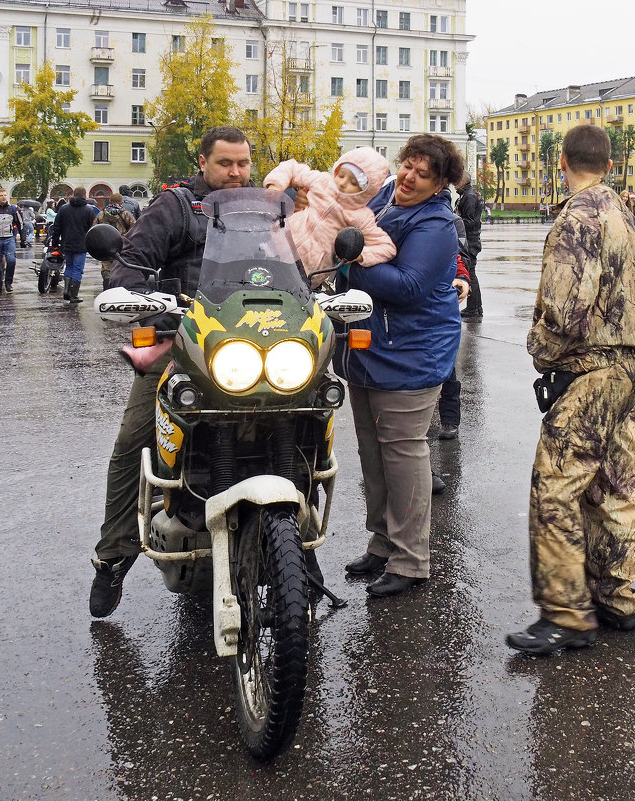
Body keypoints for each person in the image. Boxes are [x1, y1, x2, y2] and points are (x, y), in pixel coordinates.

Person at [89, 126, 253, 618]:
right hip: (179, 344)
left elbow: (298, 267)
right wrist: (149, 301)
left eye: (243, 163)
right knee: (134, 440)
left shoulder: (262, 211)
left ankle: (297, 548)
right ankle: (114, 554)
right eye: (226, 164)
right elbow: (129, 266)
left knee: (310, 410)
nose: (236, 173)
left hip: (250, 346)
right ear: (202, 162)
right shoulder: (176, 208)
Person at [506, 125, 635, 656]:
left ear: (562, 161)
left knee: (556, 487)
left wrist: (538, 347)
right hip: (626, 367)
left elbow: (566, 309)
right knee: (615, 486)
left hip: (588, 373)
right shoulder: (622, 214)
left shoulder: (576, 217)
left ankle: (567, 614)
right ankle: (616, 598)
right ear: (609, 164)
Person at [337, 133, 463, 598]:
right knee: (373, 451)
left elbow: (407, 286)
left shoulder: (437, 224)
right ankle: (382, 541)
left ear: (440, 183)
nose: (409, 176)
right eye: (407, 164)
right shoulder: (388, 194)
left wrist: (345, 258)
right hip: (367, 346)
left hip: (412, 351)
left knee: (403, 452)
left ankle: (411, 560)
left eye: (423, 173)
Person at [263, 147, 396, 286]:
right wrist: (276, 186)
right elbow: (291, 167)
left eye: (354, 182)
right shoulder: (322, 181)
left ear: (367, 191)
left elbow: (386, 247)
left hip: (307, 272)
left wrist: (360, 255)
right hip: (275, 244)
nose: (343, 183)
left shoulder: (361, 216)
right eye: (341, 175)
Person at [437, 212, 474, 442]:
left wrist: (462, 278)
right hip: (407, 307)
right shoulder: (394, 218)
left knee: (446, 366)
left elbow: (459, 257)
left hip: (440, 307)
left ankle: (450, 420)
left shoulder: (450, 221)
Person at [47, 187, 96, 303]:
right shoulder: (89, 210)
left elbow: (56, 227)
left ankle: (66, 291)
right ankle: (73, 295)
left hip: (66, 243)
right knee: (78, 269)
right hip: (81, 245)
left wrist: (54, 242)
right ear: (84, 196)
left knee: (68, 266)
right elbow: (92, 229)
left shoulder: (64, 209)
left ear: (74, 194)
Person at [455, 171, 485, 319]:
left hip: (470, 240)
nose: (454, 185)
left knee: (470, 273)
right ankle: (475, 307)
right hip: (471, 239)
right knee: (471, 272)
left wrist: (456, 222)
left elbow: (470, 221)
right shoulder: (470, 194)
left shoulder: (469, 196)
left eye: (456, 182)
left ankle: (474, 308)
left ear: (463, 181)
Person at [98, 194, 137, 289]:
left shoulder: (101, 214)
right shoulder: (126, 214)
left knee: (106, 266)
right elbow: (135, 229)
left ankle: (107, 286)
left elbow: (94, 229)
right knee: (121, 265)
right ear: (121, 203)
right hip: (122, 245)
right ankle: (119, 287)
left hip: (105, 245)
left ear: (110, 201)